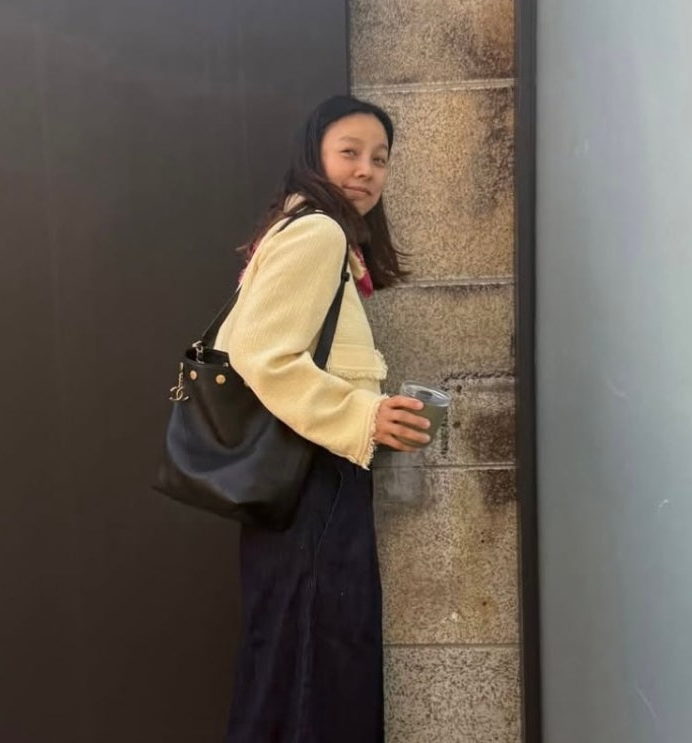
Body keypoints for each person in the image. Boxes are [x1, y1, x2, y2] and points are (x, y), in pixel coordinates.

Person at [216, 94, 430, 743]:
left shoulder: (303, 231)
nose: (366, 170)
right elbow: (260, 352)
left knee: (290, 659)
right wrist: (363, 415)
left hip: (298, 479)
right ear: (315, 155)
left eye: (379, 158)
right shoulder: (318, 232)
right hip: (314, 477)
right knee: (321, 658)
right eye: (349, 152)